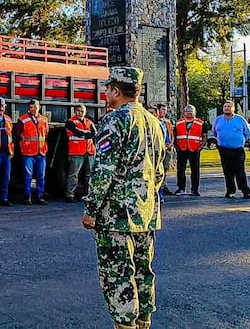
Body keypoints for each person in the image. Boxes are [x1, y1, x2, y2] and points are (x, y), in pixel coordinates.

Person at [82, 67, 165, 329]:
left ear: (117, 91)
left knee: (118, 275)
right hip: (146, 212)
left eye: (108, 88)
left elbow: (103, 171)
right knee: (143, 270)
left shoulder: (115, 120)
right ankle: (144, 321)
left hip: (116, 215)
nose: (105, 92)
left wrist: (91, 209)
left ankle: (125, 324)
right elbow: (160, 170)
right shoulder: (154, 122)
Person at [212, 100, 250, 199]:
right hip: (223, 149)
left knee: (240, 171)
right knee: (227, 171)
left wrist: (240, 141)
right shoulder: (218, 120)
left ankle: (245, 191)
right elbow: (215, 132)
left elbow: (247, 133)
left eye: (229, 106)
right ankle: (230, 191)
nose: (226, 108)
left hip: (237, 150)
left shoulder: (240, 120)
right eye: (225, 106)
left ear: (233, 108)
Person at [15, 99, 49, 205]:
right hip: (28, 152)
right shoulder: (22, 119)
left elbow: (46, 133)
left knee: (40, 176)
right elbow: (17, 134)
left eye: (35, 107)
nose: (33, 109)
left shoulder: (44, 119)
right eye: (31, 107)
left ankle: (40, 196)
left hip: (41, 152)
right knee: (28, 175)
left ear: (39, 107)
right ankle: (27, 196)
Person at [174, 105, 209, 196]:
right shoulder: (178, 123)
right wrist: (176, 147)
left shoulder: (201, 123)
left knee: (195, 170)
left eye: (191, 112)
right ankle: (181, 188)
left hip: (195, 149)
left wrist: (200, 147)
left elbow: (205, 136)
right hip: (182, 149)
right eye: (187, 112)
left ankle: (195, 189)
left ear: (194, 112)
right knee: (181, 169)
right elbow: (174, 135)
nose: (189, 113)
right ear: (184, 112)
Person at [65, 104, 96, 202]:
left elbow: (94, 133)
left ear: (85, 112)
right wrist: (87, 134)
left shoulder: (89, 122)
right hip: (76, 151)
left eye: (82, 111)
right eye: (78, 111)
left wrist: (85, 134)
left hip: (89, 151)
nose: (80, 113)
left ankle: (87, 194)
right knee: (73, 174)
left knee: (89, 174)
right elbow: (76, 132)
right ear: (75, 111)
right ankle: (70, 194)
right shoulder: (70, 122)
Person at [156, 103, 175, 195]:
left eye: (165, 109)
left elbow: (171, 134)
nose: (164, 111)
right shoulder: (155, 121)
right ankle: (159, 186)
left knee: (165, 166)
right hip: (159, 147)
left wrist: (171, 144)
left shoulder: (167, 122)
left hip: (168, 147)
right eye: (163, 109)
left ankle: (164, 185)